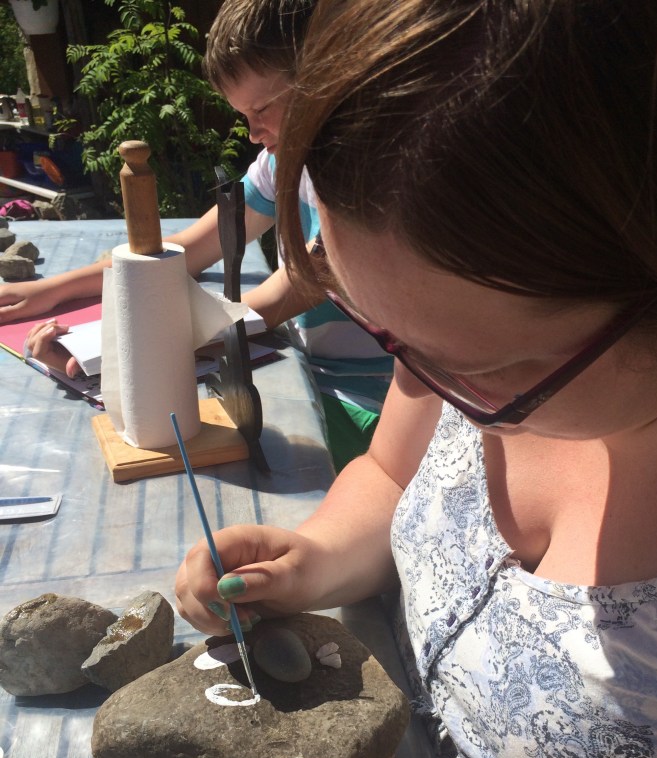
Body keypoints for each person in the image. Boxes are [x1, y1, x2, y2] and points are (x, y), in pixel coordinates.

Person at [175, 1, 657, 758]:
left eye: (480, 371)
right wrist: (321, 552)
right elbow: (391, 473)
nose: (428, 386)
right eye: (390, 337)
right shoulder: (453, 336)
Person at [9, 0, 392, 471]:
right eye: (242, 114)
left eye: (262, 109)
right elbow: (186, 250)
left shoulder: (370, 184)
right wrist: (52, 291)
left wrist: (115, 353)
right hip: (305, 368)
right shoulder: (283, 161)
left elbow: (274, 300)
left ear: (329, 74)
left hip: (368, 403)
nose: (252, 133)